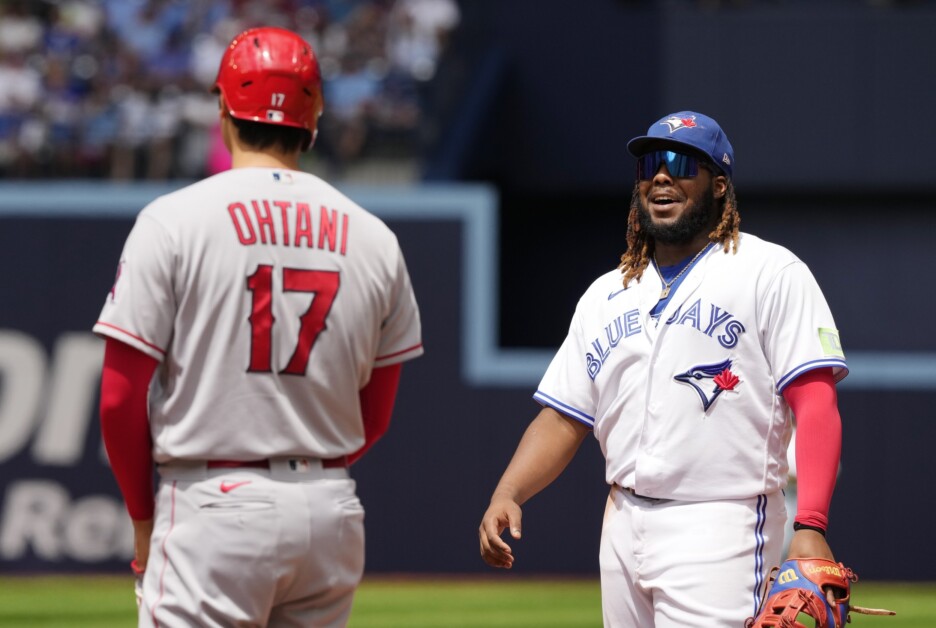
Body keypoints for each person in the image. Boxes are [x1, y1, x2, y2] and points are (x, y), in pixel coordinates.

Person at [95, 26, 423, 627]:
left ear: (223, 108)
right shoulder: (375, 237)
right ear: (315, 114)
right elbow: (373, 418)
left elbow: (119, 398)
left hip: (213, 503)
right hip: (329, 509)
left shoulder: (173, 220)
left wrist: (143, 517)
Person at [478, 111, 847, 627]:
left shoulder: (770, 272)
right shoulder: (607, 293)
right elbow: (564, 417)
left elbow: (816, 401)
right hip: (622, 522)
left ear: (719, 186)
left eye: (679, 163)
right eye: (650, 163)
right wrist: (508, 491)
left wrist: (810, 522)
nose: (660, 176)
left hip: (723, 524)